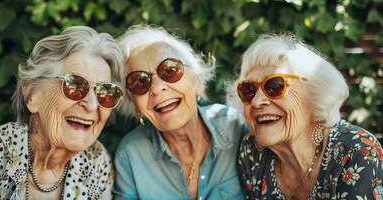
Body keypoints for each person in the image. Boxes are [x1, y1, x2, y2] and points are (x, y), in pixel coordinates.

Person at [0, 26, 124, 199]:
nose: (92, 105)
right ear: (32, 96)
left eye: (105, 92)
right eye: (74, 85)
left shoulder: (95, 161)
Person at [226, 33, 383, 199]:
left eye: (274, 85)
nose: (257, 101)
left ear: (313, 93)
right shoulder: (251, 152)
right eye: (249, 90)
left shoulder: (355, 151)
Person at [113, 24, 249, 200]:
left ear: (198, 82)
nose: (157, 87)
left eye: (170, 70)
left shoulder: (235, 126)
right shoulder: (130, 155)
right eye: (139, 82)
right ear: (136, 107)